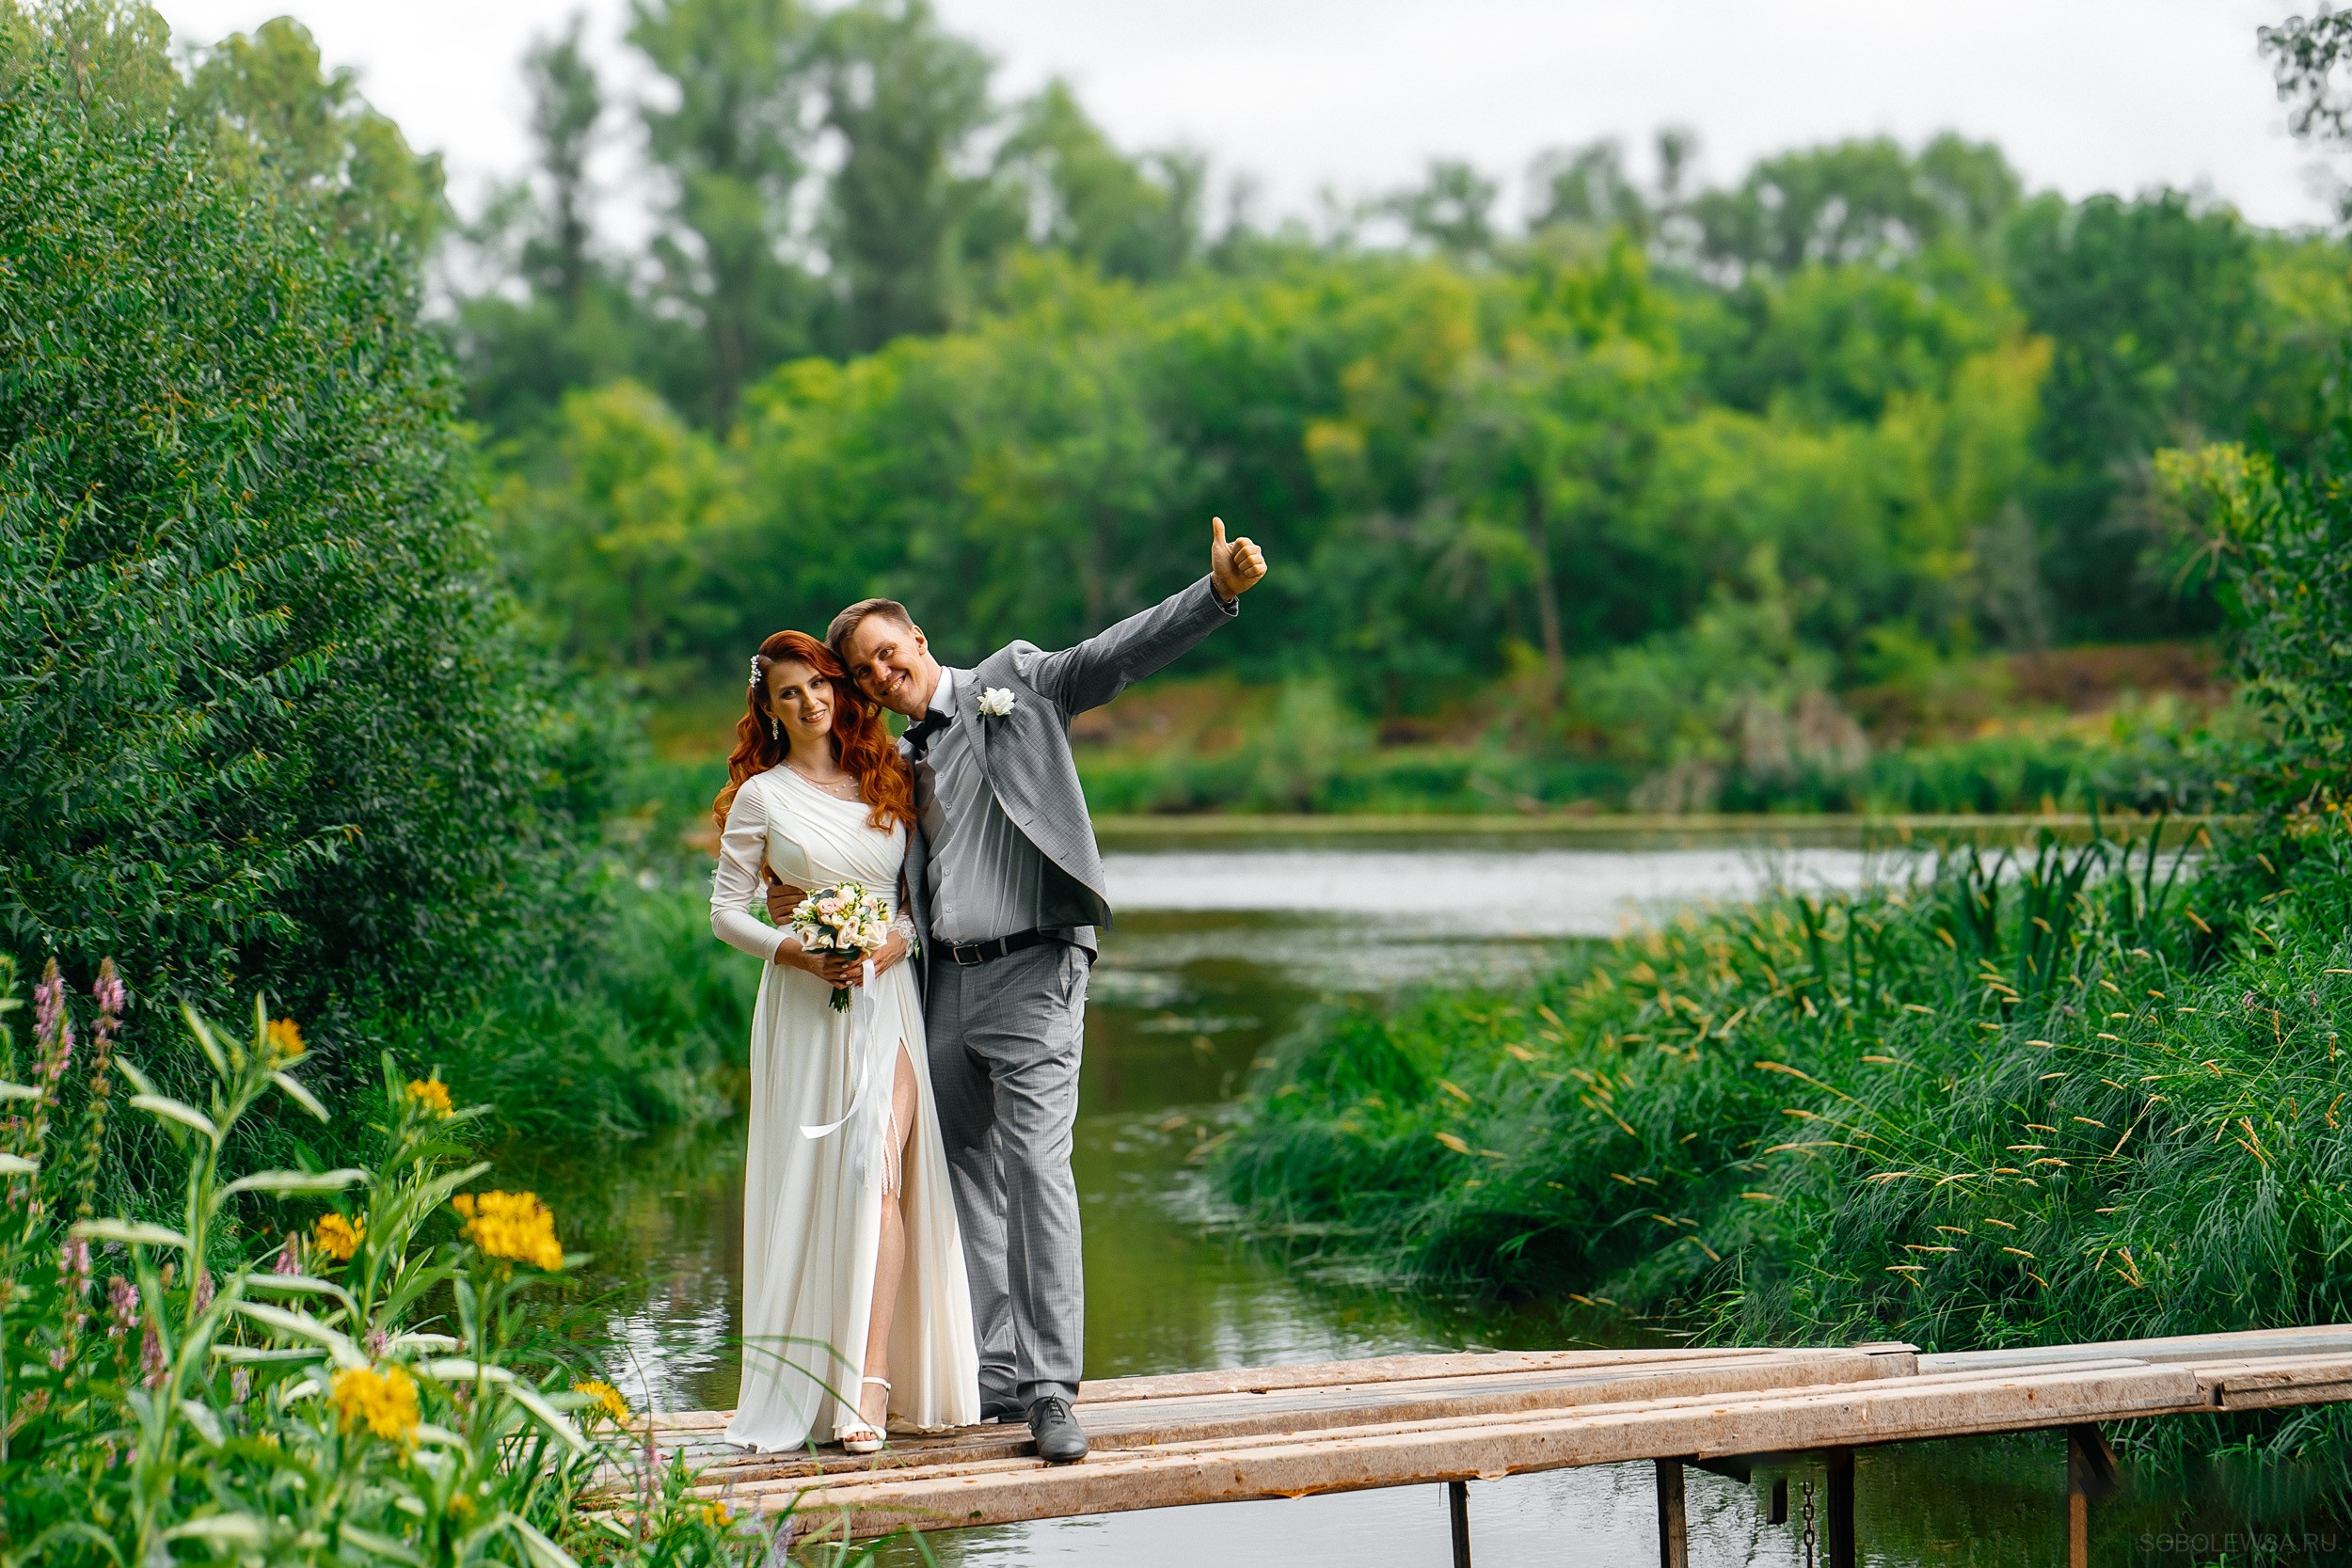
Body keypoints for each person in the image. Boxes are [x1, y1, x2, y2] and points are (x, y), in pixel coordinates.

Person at [787, 518, 1269, 1464]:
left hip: (1037, 967)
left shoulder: (1018, 680)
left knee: (1038, 1169)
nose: (884, 675)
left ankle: (1053, 1389)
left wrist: (1213, 594)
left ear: (919, 641)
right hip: (943, 985)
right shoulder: (900, 761)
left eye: (890, 655)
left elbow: (1114, 655)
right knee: (964, 1176)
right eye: (867, 672)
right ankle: (999, 1371)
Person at [708, 629, 979, 1452]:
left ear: (839, 689)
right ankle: (809, 1379)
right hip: (804, 1005)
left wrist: (900, 939)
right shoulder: (763, 796)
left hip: (886, 997)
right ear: (769, 706)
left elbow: (916, 891)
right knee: (822, 1183)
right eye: (789, 693)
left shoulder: (887, 772)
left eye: (821, 684)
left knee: (875, 1170)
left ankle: (868, 1380)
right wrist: (796, 948)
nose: (811, 702)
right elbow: (726, 912)